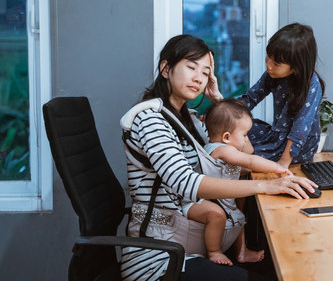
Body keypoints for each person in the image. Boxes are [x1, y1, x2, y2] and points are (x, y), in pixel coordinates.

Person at [119, 35, 317, 281]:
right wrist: (267, 185)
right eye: (191, 68)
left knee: (286, 270)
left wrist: (219, 101)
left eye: (205, 72)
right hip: (159, 260)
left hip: (188, 247)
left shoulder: (188, 119)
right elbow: (186, 183)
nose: (198, 78)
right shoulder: (151, 119)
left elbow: (245, 151)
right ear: (166, 69)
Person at [187, 98, 292, 266]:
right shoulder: (222, 149)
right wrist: (278, 167)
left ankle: (241, 252)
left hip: (224, 200)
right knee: (217, 217)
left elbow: (240, 168)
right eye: (244, 135)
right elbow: (250, 161)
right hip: (209, 202)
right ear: (227, 137)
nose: (246, 139)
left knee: (239, 215)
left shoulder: (219, 148)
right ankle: (214, 251)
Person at [240, 23, 325, 168]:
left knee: (245, 159)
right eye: (268, 58)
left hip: (297, 147)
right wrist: (224, 115)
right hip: (277, 136)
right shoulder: (272, 74)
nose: (269, 65)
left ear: (297, 66)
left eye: (276, 63)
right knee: (239, 132)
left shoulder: (312, 85)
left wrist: (283, 163)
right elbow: (250, 98)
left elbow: (299, 131)